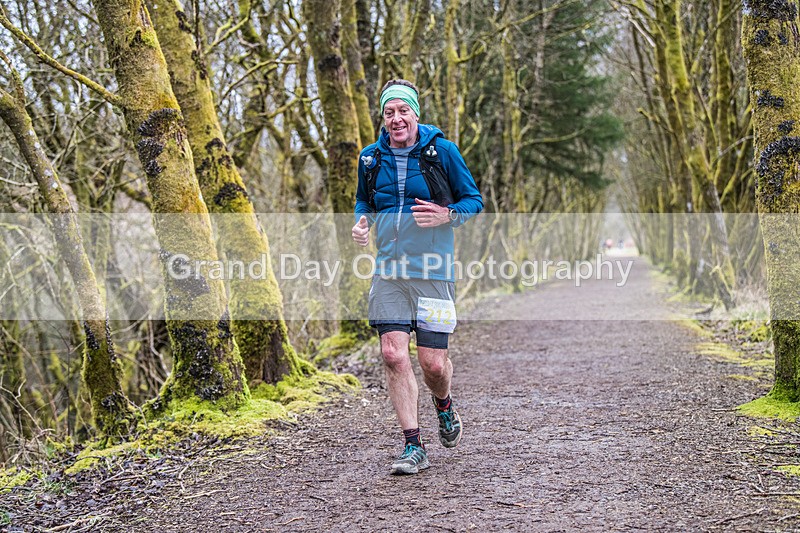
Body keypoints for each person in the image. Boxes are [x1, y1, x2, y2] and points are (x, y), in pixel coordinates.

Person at [352, 79, 483, 475]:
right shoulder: (371, 159)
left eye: (402, 111)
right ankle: (413, 445)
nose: (396, 119)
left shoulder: (442, 151)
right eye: (389, 112)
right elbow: (365, 200)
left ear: (415, 114)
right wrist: (361, 222)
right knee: (393, 353)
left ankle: (444, 406)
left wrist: (448, 215)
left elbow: (473, 201)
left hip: (433, 272)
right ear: (383, 117)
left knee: (433, 365)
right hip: (388, 270)